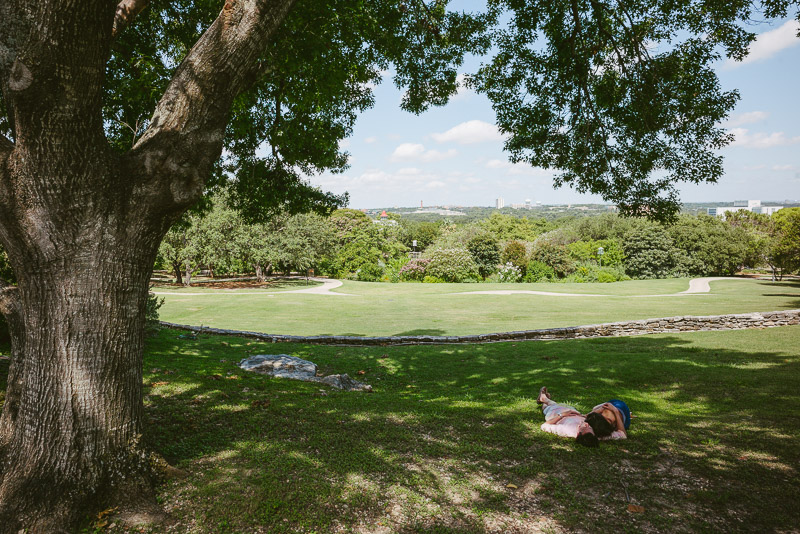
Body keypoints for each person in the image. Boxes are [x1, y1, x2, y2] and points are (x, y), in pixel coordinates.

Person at [537, 387, 629, 447]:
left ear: (578, 434)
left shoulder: (567, 430)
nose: (586, 424)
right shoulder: (597, 435)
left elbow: (544, 426)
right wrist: (616, 412)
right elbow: (623, 435)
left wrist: (562, 415)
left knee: (549, 407)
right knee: (557, 405)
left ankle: (543, 400)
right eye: (589, 427)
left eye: (584, 428)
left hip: (557, 414)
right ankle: (545, 399)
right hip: (575, 413)